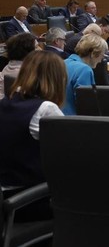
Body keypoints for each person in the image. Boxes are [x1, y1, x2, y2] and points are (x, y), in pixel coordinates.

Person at [0, 50, 66, 195]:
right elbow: (69, 153)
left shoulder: (4, 102)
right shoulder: (46, 109)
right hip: (31, 197)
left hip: (7, 192)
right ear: (57, 79)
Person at [64, 34, 108, 115]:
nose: (101, 61)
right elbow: (86, 104)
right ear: (93, 54)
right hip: (74, 120)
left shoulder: (64, 62)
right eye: (102, 56)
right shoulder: (85, 70)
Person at [0, 33, 40, 101]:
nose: (40, 50)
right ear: (27, 52)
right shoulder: (26, 73)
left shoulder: (9, 66)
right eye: (36, 47)